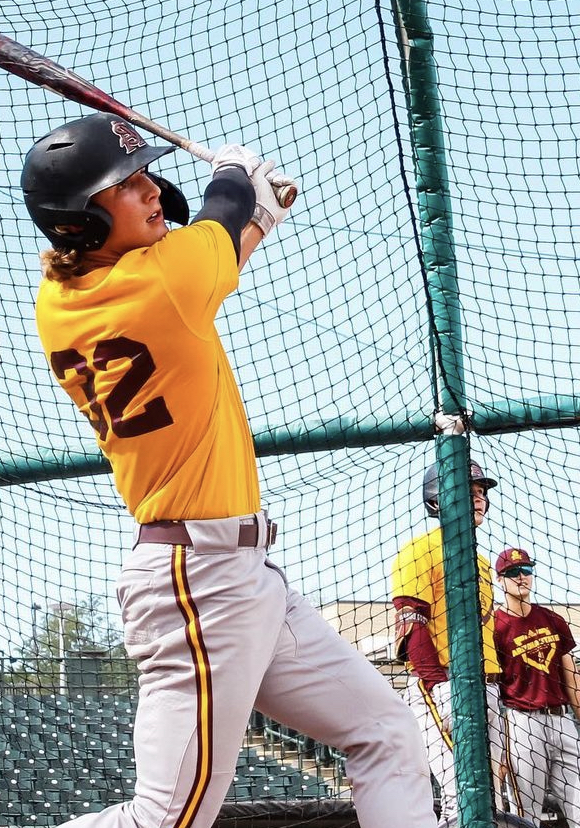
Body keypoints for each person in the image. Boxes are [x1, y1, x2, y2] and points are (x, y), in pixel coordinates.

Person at [24, 112, 437, 828]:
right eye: (127, 184)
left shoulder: (63, 301)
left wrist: (256, 213)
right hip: (197, 582)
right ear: (81, 223)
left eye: (146, 174)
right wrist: (234, 175)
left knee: (386, 733)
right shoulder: (164, 285)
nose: (152, 189)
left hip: (241, 578)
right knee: (166, 819)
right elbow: (219, 216)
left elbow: (213, 256)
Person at [391, 459, 506, 827]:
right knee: (460, 792)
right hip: (443, 681)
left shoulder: (482, 561)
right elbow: (412, 623)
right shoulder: (419, 549)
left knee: (488, 795)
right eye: (469, 491)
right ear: (438, 499)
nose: (479, 499)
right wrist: (437, 684)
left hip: (486, 685)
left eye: (481, 492)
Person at [492, 547, 580, 828]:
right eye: (512, 573)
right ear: (500, 579)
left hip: (562, 719)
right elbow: (493, 690)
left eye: (526, 571)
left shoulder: (552, 620)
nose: (521, 578)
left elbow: (573, 679)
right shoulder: (494, 626)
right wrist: (500, 746)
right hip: (521, 722)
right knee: (525, 816)